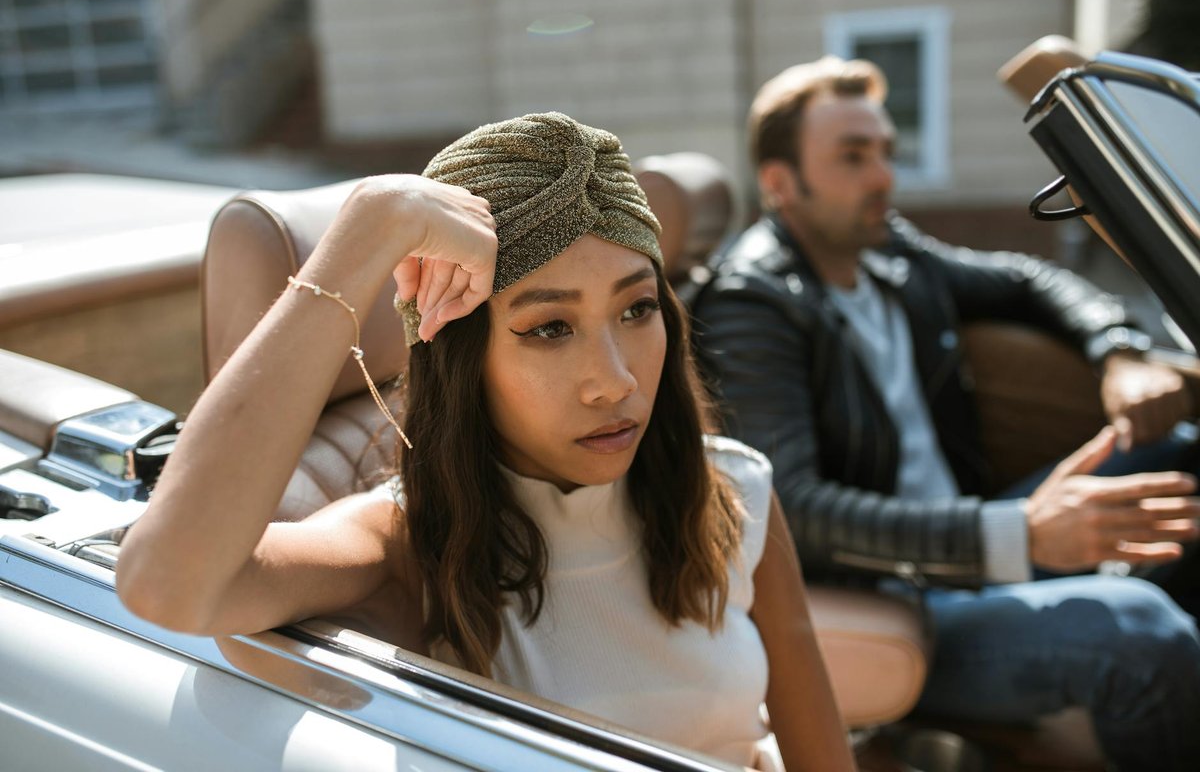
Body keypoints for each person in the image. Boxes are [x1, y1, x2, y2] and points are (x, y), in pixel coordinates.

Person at [114, 112, 856, 772]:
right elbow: (167, 586)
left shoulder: (733, 491)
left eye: (636, 310)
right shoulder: (408, 543)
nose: (616, 380)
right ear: (463, 362)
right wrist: (369, 230)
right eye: (550, 328)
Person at [690, 57, 1200, 771]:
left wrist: (1119, 351)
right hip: (900, 595)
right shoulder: (754, 302)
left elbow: (1029, 280)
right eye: (852, 156)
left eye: (886, 153)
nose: (882, 177)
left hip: (974, 539)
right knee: (1149, 637)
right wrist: (1016, 533)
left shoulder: (887, 253)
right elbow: (792, 509)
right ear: (780, 184)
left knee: (1184, 453)